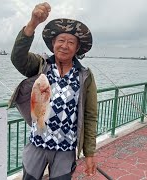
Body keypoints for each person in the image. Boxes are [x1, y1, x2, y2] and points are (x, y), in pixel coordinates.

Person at [8, 2, 97, 179]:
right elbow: (18, 59)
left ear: (77, 49)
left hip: (66, 149)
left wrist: (89, 153)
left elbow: (90, 115)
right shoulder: (41, 65)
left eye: (71, 42)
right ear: (53, 44)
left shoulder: (85, 76)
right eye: (61, 40)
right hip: (37, 143)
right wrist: (32, 23)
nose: (65, 45)